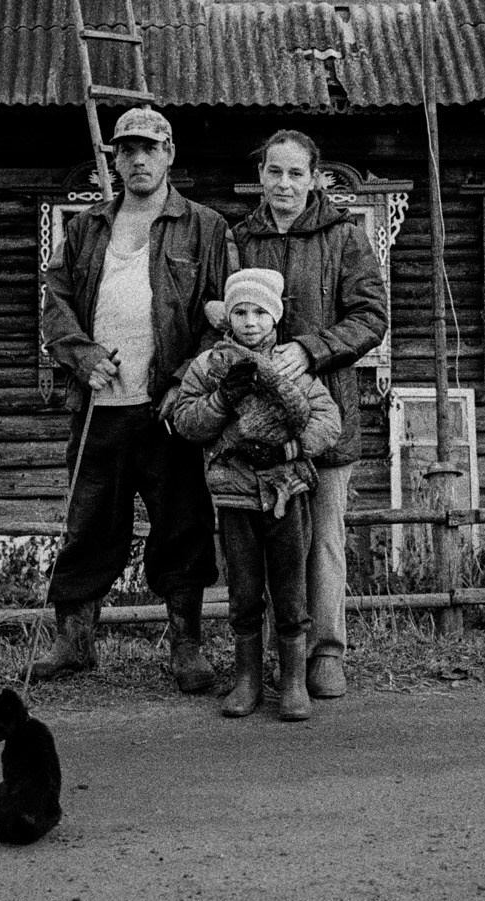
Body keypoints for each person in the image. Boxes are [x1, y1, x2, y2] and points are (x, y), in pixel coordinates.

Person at [28, 106, 236, 692]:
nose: (138, 160)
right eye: (127, 150)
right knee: (87, 523)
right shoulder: (88, 227)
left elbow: (223, 315)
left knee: (182, 526)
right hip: (98, 408)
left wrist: (186, 381)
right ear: (114, 159)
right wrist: (81, 354)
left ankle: (187, 647)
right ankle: (75, 642)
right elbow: (56, 299)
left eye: (150, 148)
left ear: (170, 153)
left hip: (167, 409)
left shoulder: (205, 227)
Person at [232, 130, 387, 699]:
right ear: (262, 175)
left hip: (327, 419)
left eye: (296, 174)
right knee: (262, 540)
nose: (284, 185)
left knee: (322, 540)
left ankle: (326, 652)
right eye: (274, 172)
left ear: (316, 177)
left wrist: (310, 349)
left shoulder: (344, 237)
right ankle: (268, 660)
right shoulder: (240, 238)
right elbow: (225, 313)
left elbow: (371, 317)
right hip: (256, 424)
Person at [163, 268, 341, 721]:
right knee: (243, 590)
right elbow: (185, 421)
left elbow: (327, 420)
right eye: (240, 311)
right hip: (234, 495)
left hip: (286, 490)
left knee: (290, 587)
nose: (251, 322)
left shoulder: (288, 365)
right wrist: (222, 400)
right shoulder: (210, 366)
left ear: (276, 319)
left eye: (261, 312)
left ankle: (294, 681)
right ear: (228, 318)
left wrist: (292, 447)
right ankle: (246, 679)